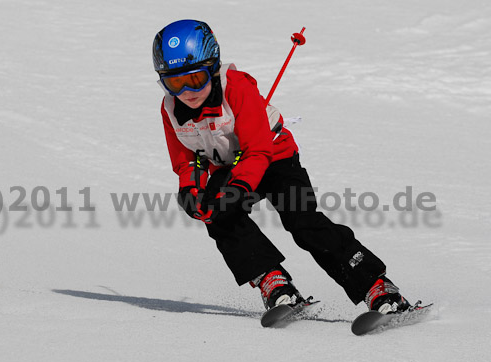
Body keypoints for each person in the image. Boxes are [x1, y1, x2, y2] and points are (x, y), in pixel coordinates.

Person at [153, 19, 410, 314]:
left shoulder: (236, 89)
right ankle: (273, 282)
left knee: (302, 221)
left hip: (275, 157)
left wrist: (237, 188)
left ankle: (377, 288)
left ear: (213, 67)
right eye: (174, 82)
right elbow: (185, 159)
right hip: (232, 167)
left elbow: (259, 150)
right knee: (216, 214)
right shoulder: (170, 109)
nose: (187, 90)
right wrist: (190, 188)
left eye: (195, 79)